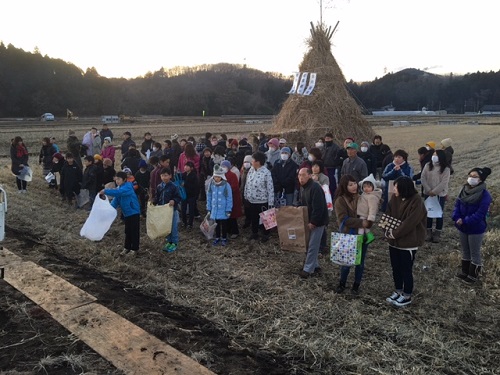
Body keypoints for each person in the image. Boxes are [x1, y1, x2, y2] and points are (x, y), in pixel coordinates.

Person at [384, 176, 427, 307]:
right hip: (393, 241)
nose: (394, 189)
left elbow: (410, 223)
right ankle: (398, 290)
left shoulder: (417, 201)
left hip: (409, 242)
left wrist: (394, 233)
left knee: (406, 269)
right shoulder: (394, 198)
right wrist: (386, 230)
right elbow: (387, 215)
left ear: (403, 188)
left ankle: (407, 295)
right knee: (395, 267)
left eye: (396, 187)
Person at [452, 167, 492, 283]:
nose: (471, 178)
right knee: (465, 250)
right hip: (462, 226)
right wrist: (457, 217)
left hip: (476, 228)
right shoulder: (463, 190)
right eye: (470, 175)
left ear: (481, 180)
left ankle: (473, 276)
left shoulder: (485, 195)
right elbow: (457, 206)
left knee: (475, 252)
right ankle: (465, 271)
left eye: (475, 177)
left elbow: (480, 214)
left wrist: (465, 220)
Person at [333, 175, 371, 294]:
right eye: (350, 185)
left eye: (355, 183)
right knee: (346, 262)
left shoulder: (362, 197)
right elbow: (343, 219)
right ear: (344, 186)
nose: (354, 186)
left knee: (360, 262)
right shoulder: (340, 200)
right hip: (348, 235)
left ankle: (356, 285)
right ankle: (342, 283)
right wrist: (361, 222)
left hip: (362, 235)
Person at [297, 168, 329, 279]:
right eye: (299, 175)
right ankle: (315, 266)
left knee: (312, 246)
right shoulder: (304, 188)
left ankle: (308, 269)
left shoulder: (315, 188)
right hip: (309, 220)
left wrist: (314, 221)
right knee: (310, 244)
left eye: (303, 175)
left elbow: (318, 207)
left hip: (318, 222)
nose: (301, 178)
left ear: (309, 175)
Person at [102, 171, 141, 257]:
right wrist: (109, 209)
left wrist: (105, 191)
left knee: (134, 231)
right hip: (126, 213)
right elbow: (116, 200)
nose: (117, 181)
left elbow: (118, 193)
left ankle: (134, 249)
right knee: (127, 231)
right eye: (116, 179)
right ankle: (127, 247)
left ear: (124, 179)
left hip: (133, 212)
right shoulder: (119, 188)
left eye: (119, 179)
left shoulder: (128, 187)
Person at [421, 149, 451, 243]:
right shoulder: (427, 166)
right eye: (433, 154)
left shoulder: (446, 169)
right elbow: (423, 178)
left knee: (438, 214)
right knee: (428, 212)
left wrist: (435, 191)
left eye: (436, 155)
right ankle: (428, 232)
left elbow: (444, 182)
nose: (434, 156)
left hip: (439, 195)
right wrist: (428, 190)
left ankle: (437, 233)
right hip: (428, 193)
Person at [244, 152, 275, 242]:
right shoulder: (251, 170)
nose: (251, 162)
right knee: (254, 217)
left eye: (253, 160)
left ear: (258, 162)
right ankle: (254, 233)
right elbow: (247, 183)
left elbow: (270, 188)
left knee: (266, 218)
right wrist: (246, 195)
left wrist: (270, 202)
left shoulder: (266, 172)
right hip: (252, 200)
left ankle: (266, 234)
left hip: (262, 200)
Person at [154, 167, 182, 252]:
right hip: (163, 210)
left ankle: (174, 242)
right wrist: (154, 202)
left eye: (166, 175)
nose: (164, 177)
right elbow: (157, 197)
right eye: (162, 176)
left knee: (173, 226)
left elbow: (178, 197)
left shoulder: (174, 186)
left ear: (170, 176)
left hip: (171, 210)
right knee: (166, 226)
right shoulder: (159, 186)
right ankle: (169, 241)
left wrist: (174, 201)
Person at [207, 165, 233, 246]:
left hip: (223, 209)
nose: (217, 178)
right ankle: (217, 237)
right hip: (214, 209)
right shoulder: (211, 184)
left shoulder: (226, 185)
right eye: (215, 177)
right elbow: (209, 196)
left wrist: (228, 209)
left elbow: (229, 198)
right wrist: (209, 208)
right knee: (216, 224)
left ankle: (224, 238)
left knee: (224, 225)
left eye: (218, 177)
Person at [356, 174, 382, 244]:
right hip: (363, 213)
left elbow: (373, 208)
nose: (366, 188)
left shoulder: (372, 197)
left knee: (361, 227)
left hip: (365, 214)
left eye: (368, 187)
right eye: (364, 187)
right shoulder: (365, 194)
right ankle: (369, 236)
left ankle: (359, 239)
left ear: (373, 187)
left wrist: (371, 218)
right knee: (365, 227)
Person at [221, 160, 242, 238]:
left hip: (232, 198)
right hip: (223, 198)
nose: (223, 168)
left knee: (232, 216)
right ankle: (227, 230)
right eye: (222, 166)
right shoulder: (220, 175)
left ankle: (235, 231)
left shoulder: (232, 175)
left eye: (225, 166)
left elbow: (235, 187)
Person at [181, 161, 199, 229]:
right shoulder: (183, 174)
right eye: (185, 166)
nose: (185, 167)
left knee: (191, 210)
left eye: (187, 166)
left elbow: (195, 186)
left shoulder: (194, 175)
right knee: (183, 209)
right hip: (184, 194)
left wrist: (185, 184)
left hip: (192, 195)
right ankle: (184, 222)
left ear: (191, 168)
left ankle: (190, 223)